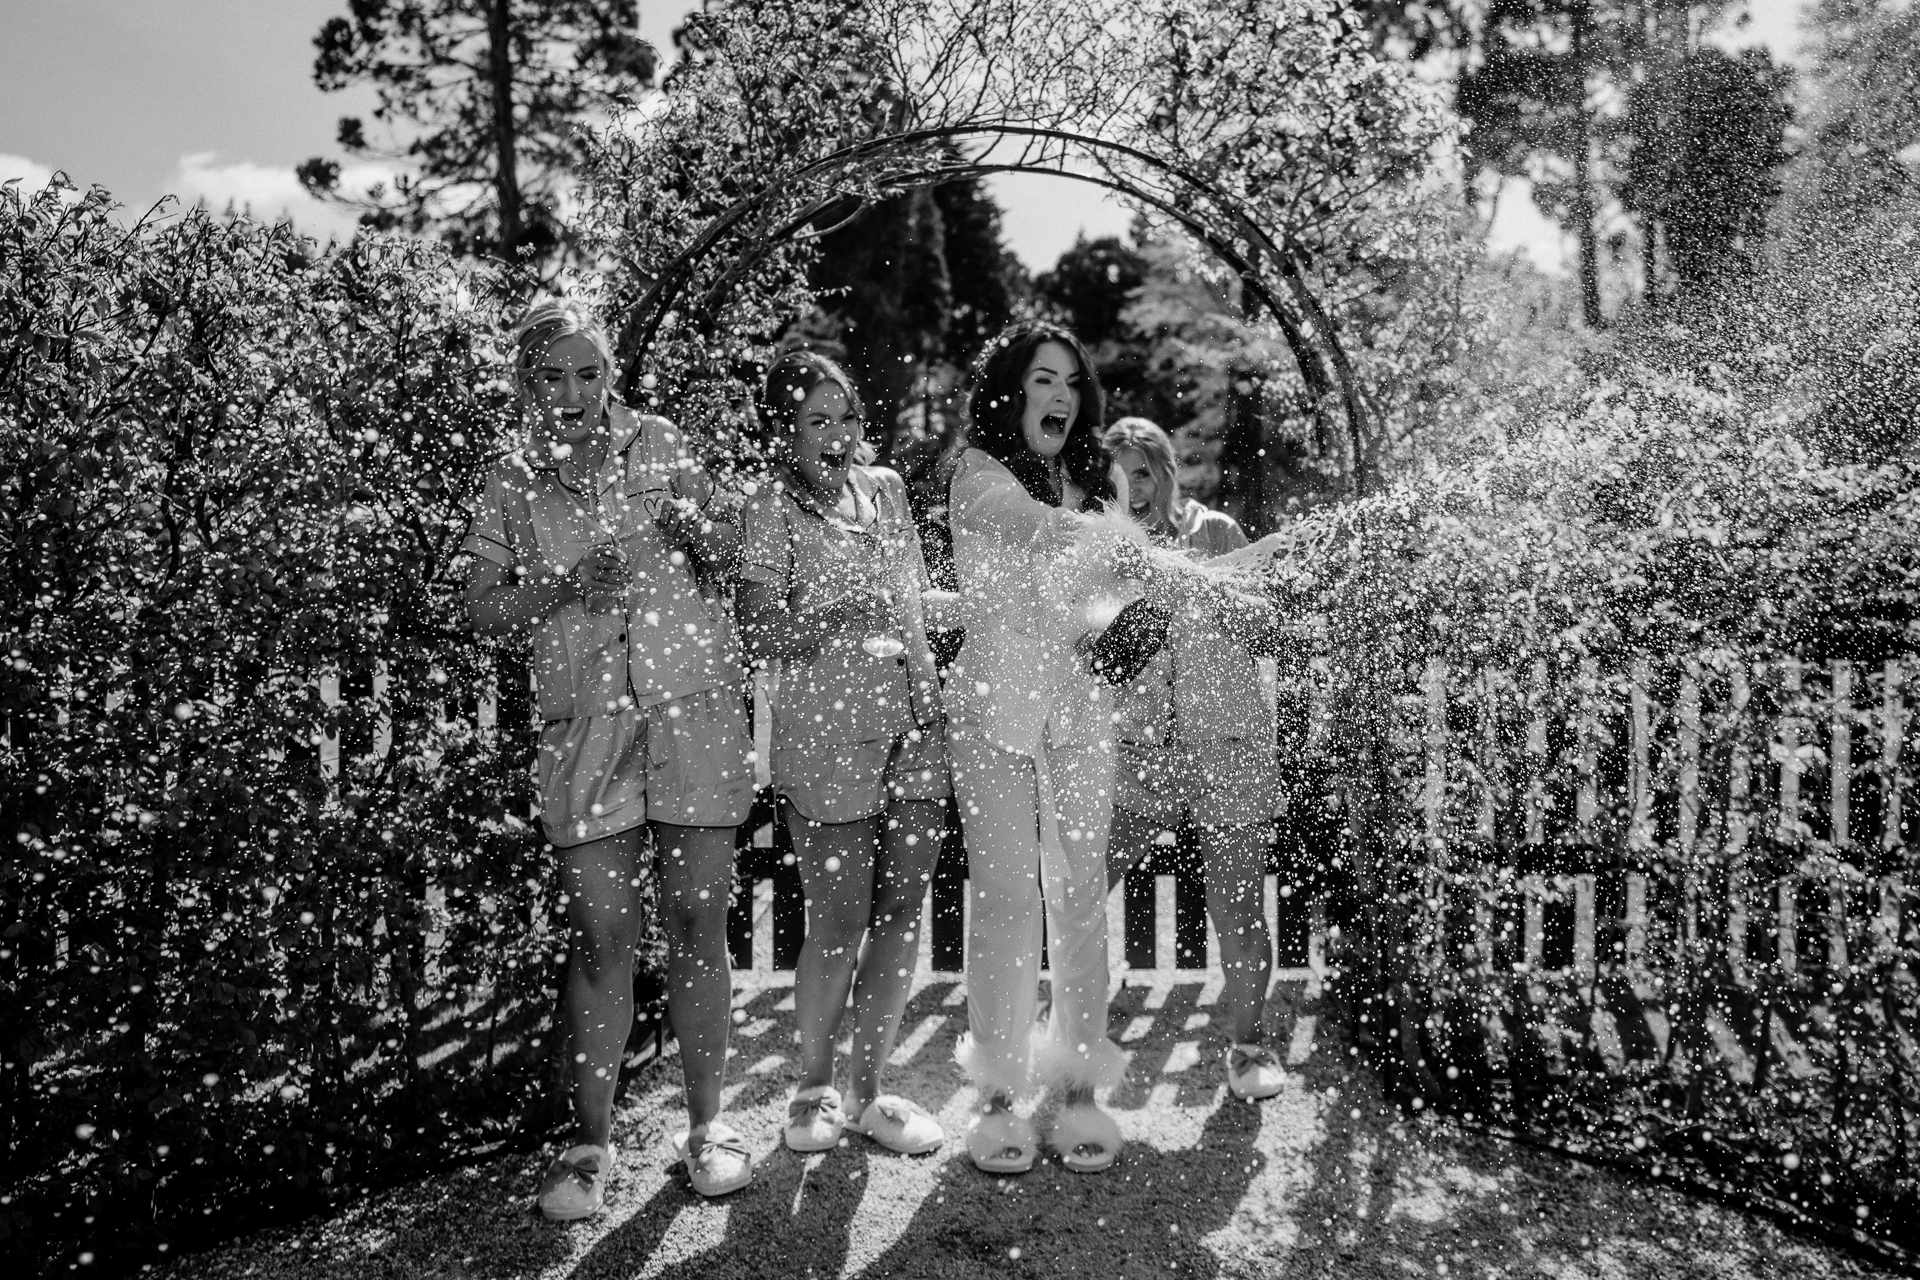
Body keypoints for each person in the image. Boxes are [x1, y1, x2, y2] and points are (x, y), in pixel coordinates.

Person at [463, 299, 756, 1215]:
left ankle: (707, 1127)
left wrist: (694, 527)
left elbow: (739, 553)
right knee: (602, 937)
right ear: (525, 381)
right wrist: (559, 586)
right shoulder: (511, 479)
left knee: (699, 920)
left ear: (611, 374)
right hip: (585, 729)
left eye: (588, 373)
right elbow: (478, 609)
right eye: (552, 376)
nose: (573, 393)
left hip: (693, 710)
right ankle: (589, 1146)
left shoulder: (662, 443)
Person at [943, 320, 1165, 1175]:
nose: (1063, 397)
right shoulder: (977, 476)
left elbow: (1105, 602)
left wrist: (1134, 596)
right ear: (1012, 390)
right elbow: (1034, 529)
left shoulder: (1093, 484)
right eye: (1044, 380)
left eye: (1071, 382)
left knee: (1078, 897)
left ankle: (1078, 1092)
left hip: (1079, 713)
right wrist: (1114, 543)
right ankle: (997, 1098)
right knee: (1004, 900)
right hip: (994, 713)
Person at [735, 351, 951, 1158]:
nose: (836, 434)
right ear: (784, 431)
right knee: (837, 922)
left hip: (914, 730)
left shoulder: (887, 490)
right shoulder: (769, 506)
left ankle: (870, 1092)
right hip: (825, 739)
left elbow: (913, 608)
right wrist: (831, 617)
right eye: (816, 420)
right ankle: (814, 1089)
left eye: (847, 417)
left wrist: (933, 698)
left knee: (899, 916)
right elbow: (756, 627)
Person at [1103, 417, 1288, 1100]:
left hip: (1228, 749)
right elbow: (1099, 660)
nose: (1134, 488)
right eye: (1119, 478)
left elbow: (1266, 626)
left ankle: (1249, 1045)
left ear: (1166, 472)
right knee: (1081, 889)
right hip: (1140, 753)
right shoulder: (1110, 551)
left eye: (1143, 472)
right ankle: (1076, 1020)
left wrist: (1207, 588)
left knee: (1237, 906)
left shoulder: (1216, 534)